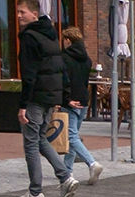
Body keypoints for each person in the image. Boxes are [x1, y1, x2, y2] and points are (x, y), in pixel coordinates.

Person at [13, 0, 77, 197]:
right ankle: (65, 177)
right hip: (51, 97)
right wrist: (63, 97)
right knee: (41, 139)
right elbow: (60, 68)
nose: (19, 16)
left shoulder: (30, 38)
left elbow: (29, 74)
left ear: (34, 14)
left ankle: (35, 192)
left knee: (31, 143)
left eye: (22, 12)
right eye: (17, 12)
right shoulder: (50, 35)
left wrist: (23, 105)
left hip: (36, 97)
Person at [59, 27, 102, 186]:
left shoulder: (63, 58)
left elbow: (63, 81)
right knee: (73, 136)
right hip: (83, 100)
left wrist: (65, 99)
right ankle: (67, 172)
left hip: (71, 101)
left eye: (63, 40)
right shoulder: (87, 59)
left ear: (68, 41)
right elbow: (83, 81)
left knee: (71, 137)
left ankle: (92, 163)